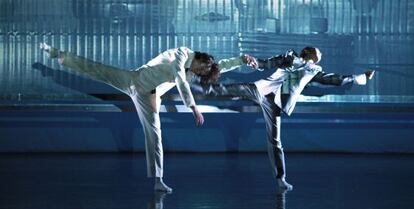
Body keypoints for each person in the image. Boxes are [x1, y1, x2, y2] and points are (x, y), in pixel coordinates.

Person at [39, 43, 256, 193]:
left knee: (155, 135)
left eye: (203, 72)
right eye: (202, 68)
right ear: (199, 58)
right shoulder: (183, 54)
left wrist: (241, 59)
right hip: (133, 80)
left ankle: (158, 180)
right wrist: (193, 107)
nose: (200, 73)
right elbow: (179, 79)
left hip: (149, 96)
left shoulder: (195, 71)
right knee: (97, 69)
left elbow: (221, 66)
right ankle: (58, 54)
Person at [192, 46, 375, 191]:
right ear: (309, 52)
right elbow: (269, 63)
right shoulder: (290, 57)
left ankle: (280, 179)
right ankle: (195, 84)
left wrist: (360, 78)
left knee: (275, 141)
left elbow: (334, 79)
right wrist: (256, 62)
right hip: (260, 89)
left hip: (275, 103)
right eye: (318, 52)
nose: (321, 54)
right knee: (229, 89)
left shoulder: (314, 70)